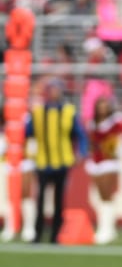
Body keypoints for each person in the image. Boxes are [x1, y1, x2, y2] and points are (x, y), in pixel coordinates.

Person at [25, 78, 88, 244]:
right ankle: (37, 234)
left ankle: (55, 235)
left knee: (59, 201)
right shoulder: (37, 112)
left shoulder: (68, 111)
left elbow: (80, 135)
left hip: (62, 161)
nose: (54, 93)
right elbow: (28, 132)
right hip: (42, 161)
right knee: (40, 200)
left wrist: (81, 152)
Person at [85, 95, 122, 245]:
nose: (103, 108)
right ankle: (107, 228)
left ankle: (106, 229)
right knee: (101, 196)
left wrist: (120, 148)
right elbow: (91, 142)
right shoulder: (93, 123)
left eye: (105, 105)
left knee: (107, 195)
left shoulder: (115, 120)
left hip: (110, 162)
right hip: (96, 162)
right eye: (100, 105)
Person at [0, 113, 38, 243]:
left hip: (23, 161)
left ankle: (29, 227)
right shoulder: (6, 123)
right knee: (7, 197)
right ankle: (9, 226)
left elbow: (32, 136)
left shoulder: (26, 118)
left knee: (26, 195)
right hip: (6, 163)